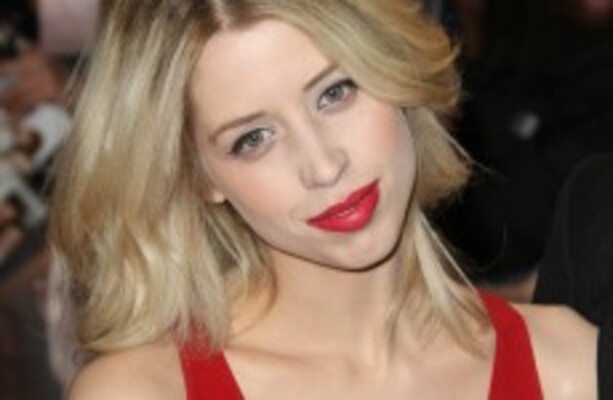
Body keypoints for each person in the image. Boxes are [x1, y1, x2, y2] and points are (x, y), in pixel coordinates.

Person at [50, 1, 597, 398]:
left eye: (335, 93)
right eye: (253, 138)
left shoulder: (566, 366)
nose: (322, 165)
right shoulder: (142, 391)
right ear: (198, 177)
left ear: (396, 74)